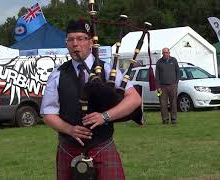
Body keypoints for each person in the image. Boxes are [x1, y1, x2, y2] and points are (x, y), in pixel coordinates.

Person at [40, 19, 142, 180]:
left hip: (101, 145)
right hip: (69, 147)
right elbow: (48, 113)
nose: (75, 44)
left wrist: (105, 116)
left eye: (80, 38)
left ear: (90, 42)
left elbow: (134, 99)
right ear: (66, 44)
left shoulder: (108, 69)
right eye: (71, 39)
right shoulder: (57, 74)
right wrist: (69, 129)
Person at [155, 47, 180, 124]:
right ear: (162, 54)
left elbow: (178, 72)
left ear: (169, 53)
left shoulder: (174, 60)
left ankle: (174, 119)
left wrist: (176, 83)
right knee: (163, 104)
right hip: (162, 87)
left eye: (166, 52)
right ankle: (165, 120)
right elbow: (157, 75)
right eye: (164, 53)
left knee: (173, 103)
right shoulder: (159, 62)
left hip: (173, 85)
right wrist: (158, 87)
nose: (165, 54)